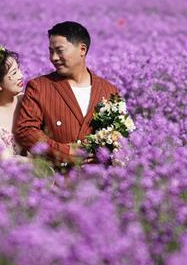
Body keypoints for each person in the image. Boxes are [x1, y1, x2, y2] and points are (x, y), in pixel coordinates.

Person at [14, 21, 120, 166]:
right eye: (51, 51)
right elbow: (26, 131)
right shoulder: (39, 87)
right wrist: (64, 152)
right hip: (57, 177)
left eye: (60, 50)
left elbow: (120, 138)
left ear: (82, 49)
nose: (54, 57)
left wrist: (105, 155)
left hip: (99, 176)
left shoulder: (109, 91)